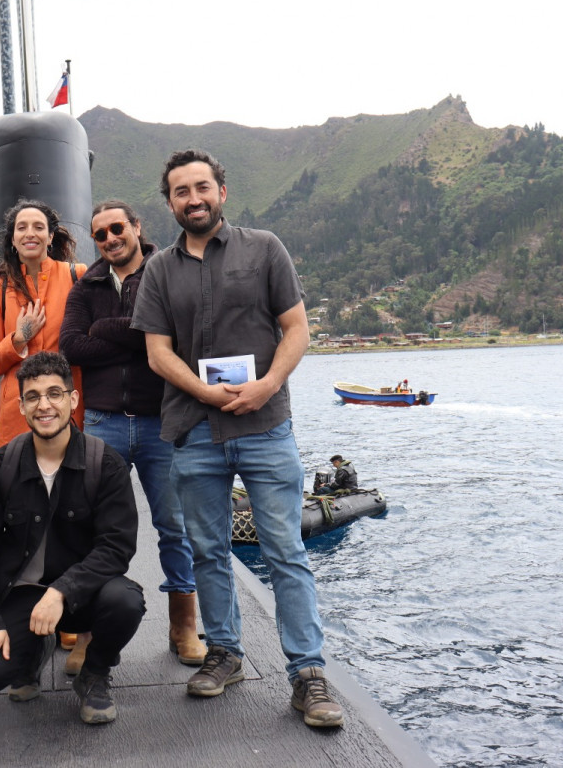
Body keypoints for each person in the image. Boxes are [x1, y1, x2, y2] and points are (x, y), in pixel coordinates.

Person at [131, 148, 344, 728]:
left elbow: (296, 327)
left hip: (265, 425)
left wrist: (269, 383)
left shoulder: (265, 248)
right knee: (207, 550)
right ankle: (225, 653)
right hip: (195, 431)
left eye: (202, 187)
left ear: (221, 191)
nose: (193, 198)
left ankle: (307, 673)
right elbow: (157, 352)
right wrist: (206, 395)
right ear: (170, 201)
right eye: (181, 191)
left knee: (285, 550)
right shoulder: (159, 269)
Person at [0, 351, 145, 725]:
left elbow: (116, 546)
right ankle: (31, 654)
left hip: (82, 594)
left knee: (125, 601)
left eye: (54, 394)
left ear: (73, 400)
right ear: (22, 406)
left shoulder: (105, 465)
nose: (44, 405)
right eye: (33, 397)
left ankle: (95, 673)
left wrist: (61, 591)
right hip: (21, 595)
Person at [59, 199, 205, 669]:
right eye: (99, 234)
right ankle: (85, 631)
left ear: (136, 228)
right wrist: (138, 336)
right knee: (88, 528)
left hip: (161, 421)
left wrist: (109, 328)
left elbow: (176, 339)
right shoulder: (87, 285)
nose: (110, 239)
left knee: (174, 528)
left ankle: (183, 625)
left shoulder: (163, 273)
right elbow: (72, 346)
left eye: (117, 228)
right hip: (103, 423)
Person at [0, 199, 85, 449]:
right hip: (18, 418)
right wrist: (18, 339)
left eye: (38, 227)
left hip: (68, 413)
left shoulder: (77, 276)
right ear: (13, 240)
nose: (30, 234)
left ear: (50, 236)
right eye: (21, 228)